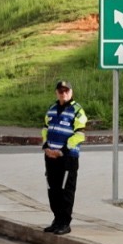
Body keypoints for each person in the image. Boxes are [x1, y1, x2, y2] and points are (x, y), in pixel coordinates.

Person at [41, 80, 87, 235]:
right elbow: (45, 129)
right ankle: (57, 220)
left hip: (68, 158)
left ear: (71, 92)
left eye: (66, 91)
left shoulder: (77, 110)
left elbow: (80, 135)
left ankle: (65, 223)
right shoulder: (52, 109)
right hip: (51, 157)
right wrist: (46, 147)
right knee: (53, 190)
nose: (64, 94)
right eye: (61, 91)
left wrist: (63, 151)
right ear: (57, 93)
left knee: (66, 191)